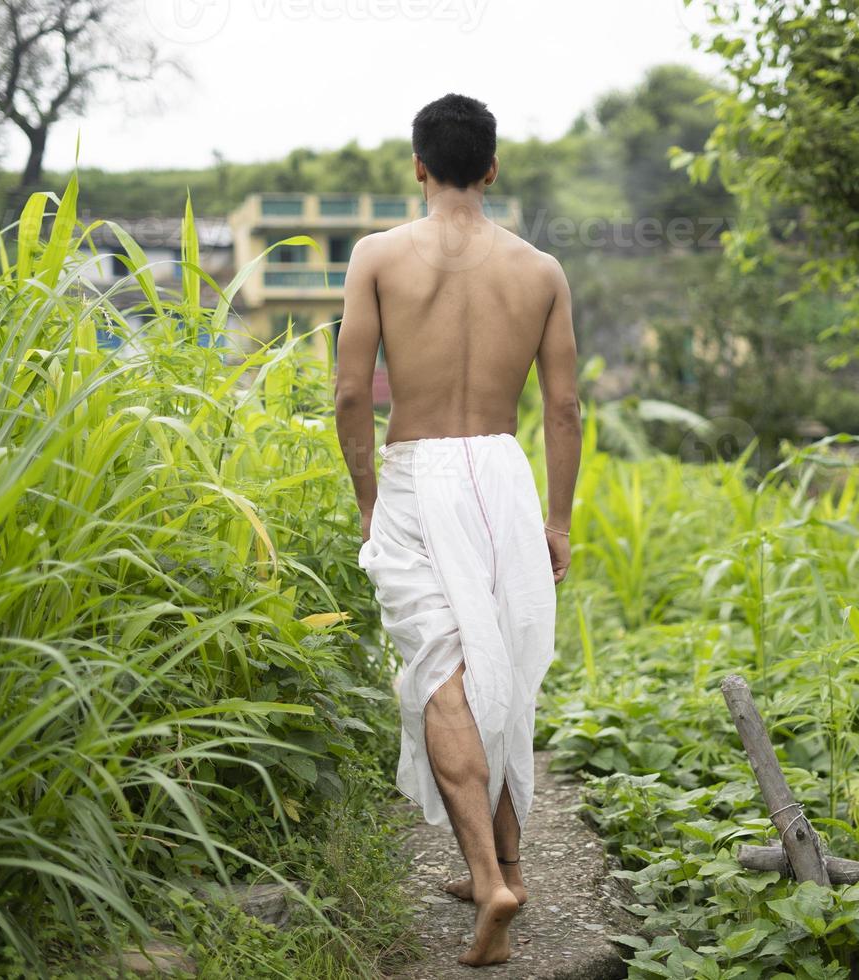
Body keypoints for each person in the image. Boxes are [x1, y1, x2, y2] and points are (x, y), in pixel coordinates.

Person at [333, 93, 582, 967]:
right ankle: (506, 862)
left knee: (443, 669)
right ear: (492, 167)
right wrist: (557, 518)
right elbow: (564, 406)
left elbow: (352, 393)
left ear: (417, 165)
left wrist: (371, 499)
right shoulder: (540, 270)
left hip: (419, 470)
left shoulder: (377, 256)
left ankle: (489, 880)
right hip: (506, 474)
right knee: (499, 665)